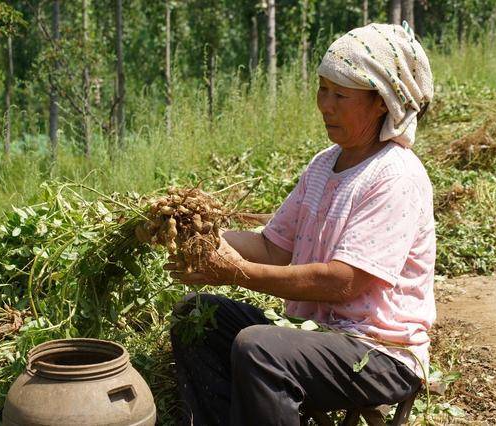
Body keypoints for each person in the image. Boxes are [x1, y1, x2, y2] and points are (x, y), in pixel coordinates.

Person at [166, 22, 436, 426]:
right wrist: (197, 235)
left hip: (379, 351)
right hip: (315, 332)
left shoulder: (393, 177)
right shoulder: (325, 164)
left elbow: (343, 281)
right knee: (194, 318)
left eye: (340, 95)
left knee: (258, 347)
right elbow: (274, 247)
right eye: (322, 89)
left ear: (382, 102)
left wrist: (234, 273)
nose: (325, 105)